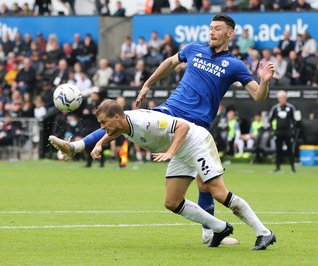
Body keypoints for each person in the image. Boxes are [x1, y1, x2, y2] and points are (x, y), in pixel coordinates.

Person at [46, 14, 274, 245]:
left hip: (194, 129)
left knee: (209, 186)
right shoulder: (194, 49)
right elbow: (170, 62)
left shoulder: (234, 65)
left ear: (230, 33)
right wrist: (148, 83)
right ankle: (216, 230)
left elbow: (258, 96)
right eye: (211, 28)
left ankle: (259, 232)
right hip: (169, 113)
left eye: (217, 29)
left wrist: (264, 81)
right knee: (172, 199)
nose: (212, 32)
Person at [51, 99, 276, 250]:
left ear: (117, 117)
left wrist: (169, 152)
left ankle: (264, 233)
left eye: (103, 123)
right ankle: (220, 228)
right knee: (172, 202)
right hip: (180, 151)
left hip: (195, 143)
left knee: (218, 192)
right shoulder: (121, 124)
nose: (102, 127)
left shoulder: (144, 121)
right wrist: (99, 143)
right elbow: (113, 131)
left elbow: (183, 128)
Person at [269, 90, 296, 173]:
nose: (282, 99)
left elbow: (295, 120)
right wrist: (273, 131)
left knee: (290, 150)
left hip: (288, 132)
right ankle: (277, 167)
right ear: (278, 99)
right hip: (278, 132)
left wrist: (292, 130)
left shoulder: (291, 108)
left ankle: (292, 168)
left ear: (286, 98)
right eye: (280, 98)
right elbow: (270, 120)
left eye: (283, 97)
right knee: (278, 150)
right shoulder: (275, 108)